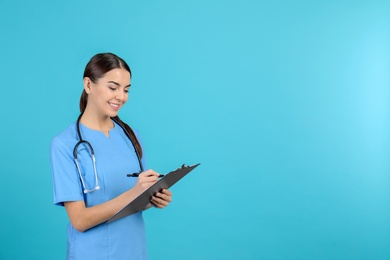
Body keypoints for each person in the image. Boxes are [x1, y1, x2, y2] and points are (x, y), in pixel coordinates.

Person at [50, 52, 172, 259]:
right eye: (113, 87)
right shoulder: (64, 145)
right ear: (88, 85)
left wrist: (151, 199)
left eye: (126, 90)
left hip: (133, 249)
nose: (121, 97)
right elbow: (79, 220)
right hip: (92, 252)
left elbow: (133, 201)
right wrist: (134, 194)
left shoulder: (130, 135)